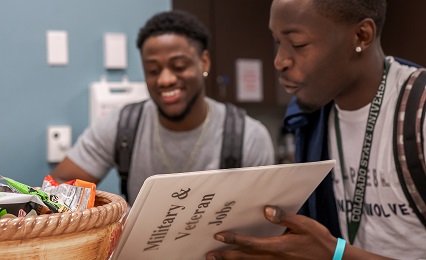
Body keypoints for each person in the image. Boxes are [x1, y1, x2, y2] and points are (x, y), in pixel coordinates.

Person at [205, 0, 426, 259]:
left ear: (361, 36)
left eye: (298, 44)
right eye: (277, 42)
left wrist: (335, 254)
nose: (279, 61)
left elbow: (329, 250)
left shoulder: (417, 112)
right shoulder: (308, 120)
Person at [50, 10, 275, 206]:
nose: (165, 80)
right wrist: (113, 215)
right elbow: (58, 189)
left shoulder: (248, 136)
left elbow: (261, 220)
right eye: (153, 70)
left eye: (179, 66)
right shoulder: (122, 126)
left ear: (204, 62)